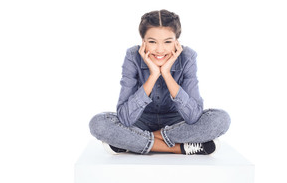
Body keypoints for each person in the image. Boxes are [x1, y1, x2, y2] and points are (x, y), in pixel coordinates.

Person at [89, 9, 231, 155]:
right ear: (143, 42)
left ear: (177, 42)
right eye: (152, 42)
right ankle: (179, 148)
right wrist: (153, 75)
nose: (160, 49)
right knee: (98, 123)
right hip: (140, 120)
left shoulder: (188, 57)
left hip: (177, 124)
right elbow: (125, 118)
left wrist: (166, 74)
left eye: (168, 42)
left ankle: (133, 143)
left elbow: (193, 116)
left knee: (221, 119)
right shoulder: (132, 56)